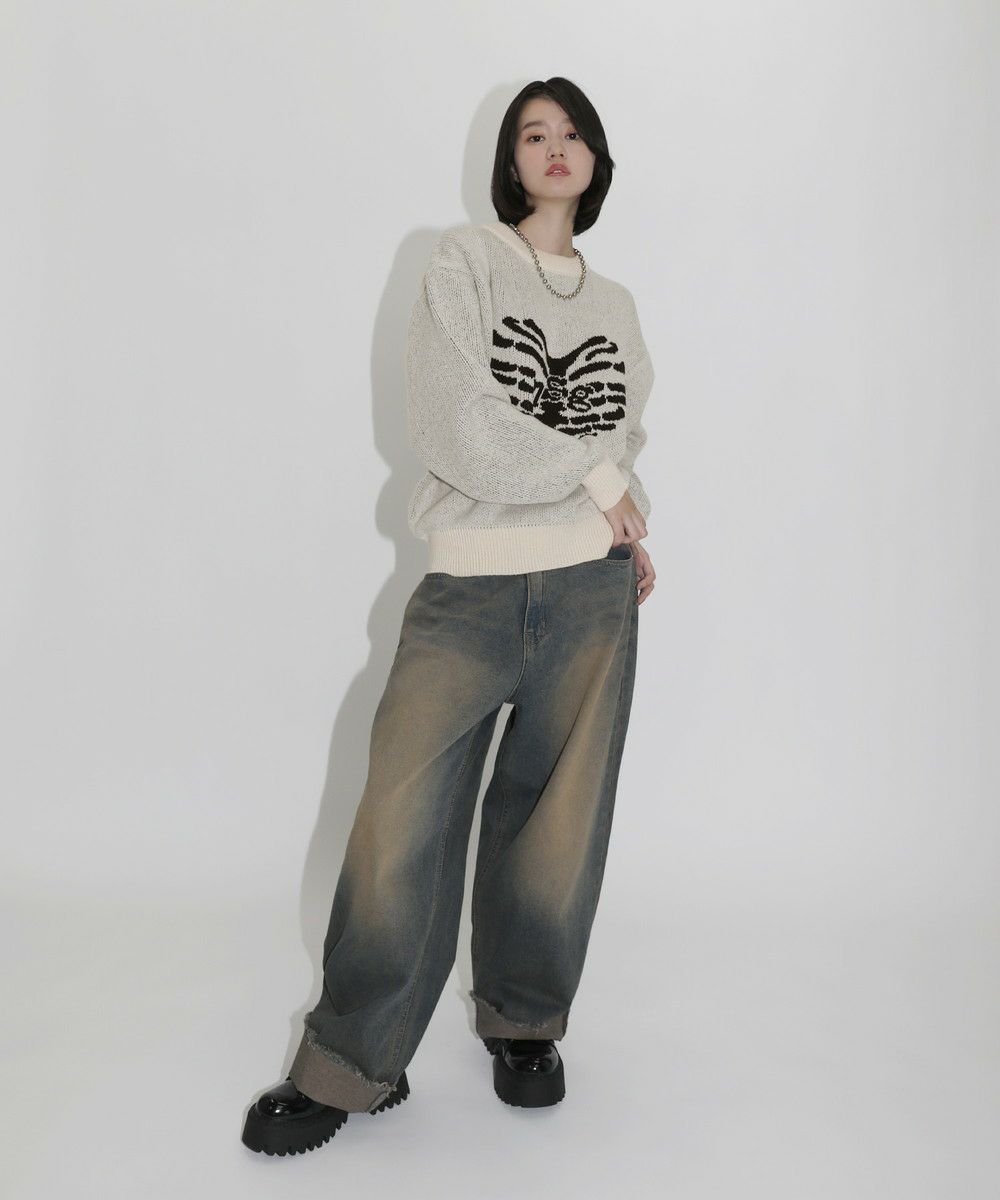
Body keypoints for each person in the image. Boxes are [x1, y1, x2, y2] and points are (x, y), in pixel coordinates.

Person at [242, 75, 657, 1157]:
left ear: (596, 159)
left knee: (556, 830)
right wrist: (599, 481)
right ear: (510, 163)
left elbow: (624, 442)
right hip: (468, 590)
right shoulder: (464, 262)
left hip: (593, 592)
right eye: (534, 133)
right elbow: (454, 421)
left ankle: (524, 1022)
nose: (555, 147)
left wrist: (626, 518)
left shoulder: (617, 306)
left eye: (573, 133)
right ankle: (351, 1062)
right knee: (398, 824)